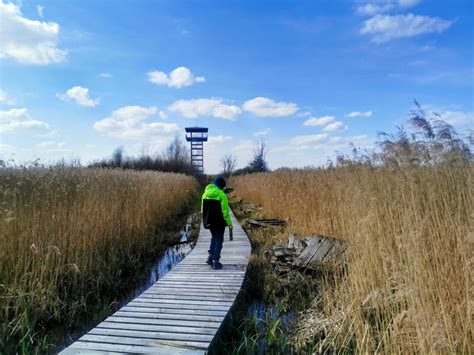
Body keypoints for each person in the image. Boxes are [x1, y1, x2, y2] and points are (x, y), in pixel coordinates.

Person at [201, 176, 233, 270]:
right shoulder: (221, 195)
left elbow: (203, 210)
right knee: (219, 240)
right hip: (219, 222)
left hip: (209, 222)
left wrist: (205, 221)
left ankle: (210, 257)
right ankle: (216, 262)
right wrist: (229, 223)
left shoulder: (205, 194)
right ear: (222, 186)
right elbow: (225, 212)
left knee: (214, 237)